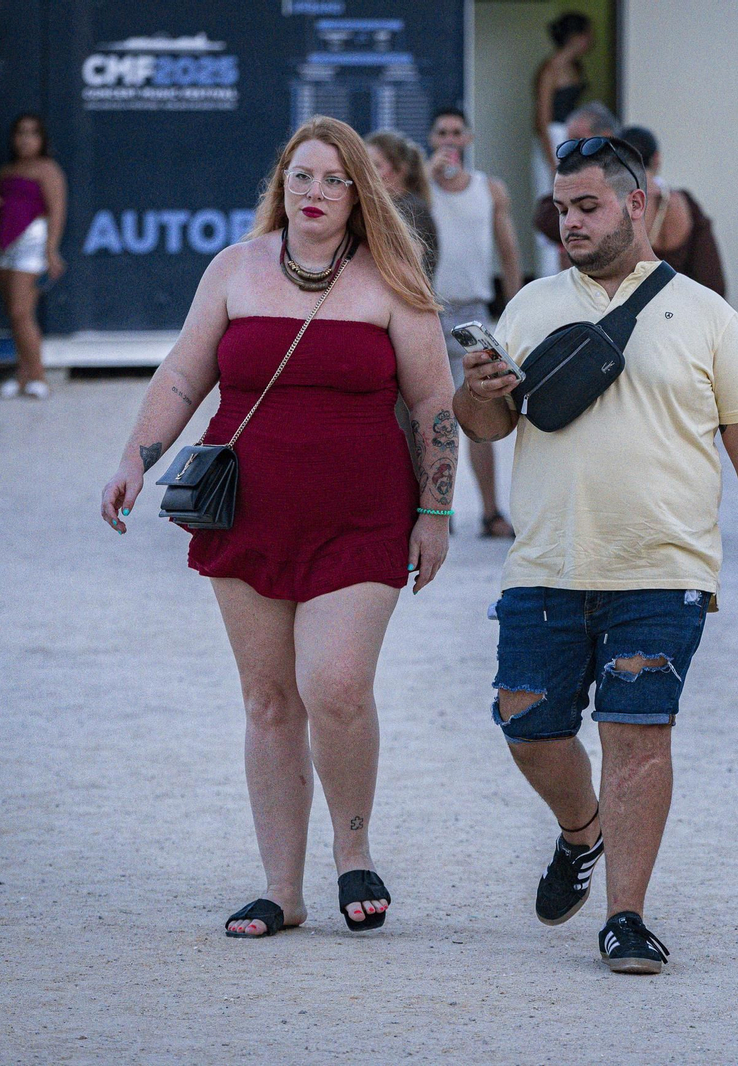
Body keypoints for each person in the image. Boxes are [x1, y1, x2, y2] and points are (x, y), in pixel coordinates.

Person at [453, 137, 738, 974]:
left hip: (663, 567)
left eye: (587, 206)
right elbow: (491, 428)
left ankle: (625, 916)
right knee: (528, 727)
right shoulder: (533, 304)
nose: (568, 222)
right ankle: (582, 833)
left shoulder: (708, 316)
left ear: (637, 203)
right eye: (561, 208)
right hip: (544, 565)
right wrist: (477, 395)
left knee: (639, 736)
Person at [98, 116, 456, 939]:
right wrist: (134, 459)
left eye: (334, 179)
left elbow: (436, 403)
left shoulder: (394, 280)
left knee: (335, 686)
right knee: (267, 701)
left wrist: (435, 510)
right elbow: (186, 371)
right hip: (246, 509)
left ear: (359, 192)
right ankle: (281, 889)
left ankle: (353, 850)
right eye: (303, 177)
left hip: (364, 516)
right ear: (282, 186)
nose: (316, 193)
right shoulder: (234, 268)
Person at [428, 108, 523, 537]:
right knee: (431, 414)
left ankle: (490, 511)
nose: (449, 140)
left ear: (468, 138)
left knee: (482, 407)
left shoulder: (489, 189)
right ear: (431, 139)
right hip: (428, 309)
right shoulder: (420, 189)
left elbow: (508, 250)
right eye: (441, 133)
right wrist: (423, 179)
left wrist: (517, 305)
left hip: (473, 312)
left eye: (455, 132)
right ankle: (433, 511)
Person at [534, 125, 727, 296]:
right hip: (679, 309)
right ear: (657, 158)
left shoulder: (617, 201)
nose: (571, 220)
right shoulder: (686, 204)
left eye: (588, 208)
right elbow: (712, 280)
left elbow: (544, 218)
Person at [0, 113, 66, 399]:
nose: (25, 139)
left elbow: (57, 211)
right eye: (20, 132)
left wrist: (51, 250)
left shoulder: (48, 170)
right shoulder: (5, 171)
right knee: (14, 315)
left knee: (21, 312)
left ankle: (39, 376)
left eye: (33, 133)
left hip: (32, 244)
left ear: (42, 139)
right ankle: (23, 375)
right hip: (3, 247)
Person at [531, 13, 595, 275]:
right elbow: (542, 120)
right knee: (551, 202)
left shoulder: (576, 67)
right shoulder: (550, 69)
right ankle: (548, 274)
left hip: (573, 137)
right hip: (553, 137)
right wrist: (552, 161)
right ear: (576, 38)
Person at [532, 103, 618, 274]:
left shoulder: (622, 177)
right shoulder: (574, 175)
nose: (572, 150)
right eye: (569, 141)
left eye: (578, 140)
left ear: (605, 137)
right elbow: (545, 219)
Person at [365, 129, 439, 279]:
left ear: (400, 169)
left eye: (377, 165)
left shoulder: (412, 210)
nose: (367, 172)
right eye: (365, 164)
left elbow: (406, 267)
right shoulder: (380, 206)